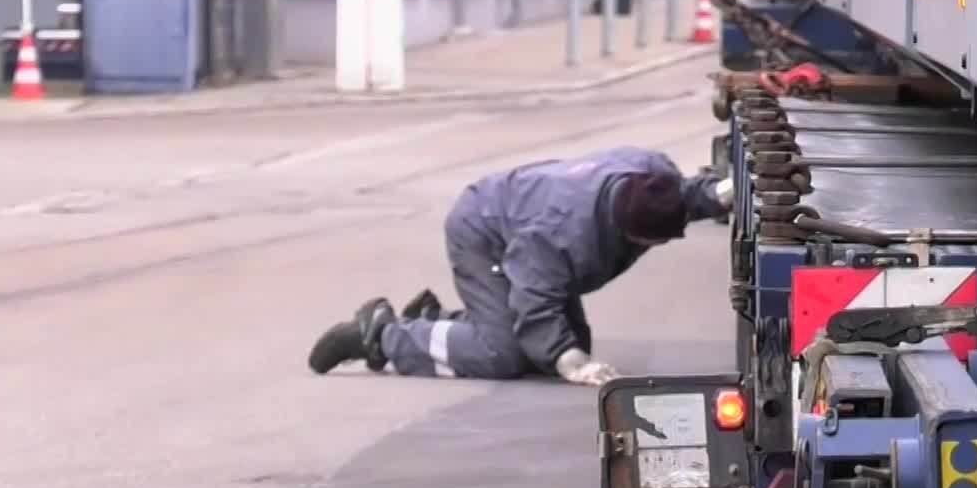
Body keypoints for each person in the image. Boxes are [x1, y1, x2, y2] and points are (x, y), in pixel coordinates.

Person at [308, 147, 733, 384]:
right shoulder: (561, 235)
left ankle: (442, 324)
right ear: (629, 234)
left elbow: (685, 199)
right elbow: (536, 302)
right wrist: (573, 365)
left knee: (558, 345)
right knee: (505, 354)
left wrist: (723, 193)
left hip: (520, 219)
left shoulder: (652, 177)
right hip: (484, 231)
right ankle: (382, 336)